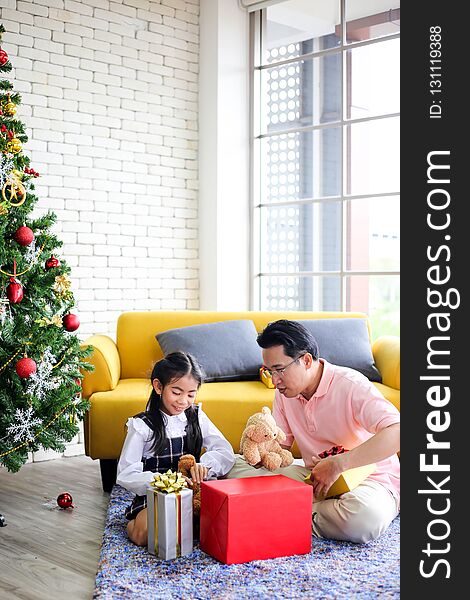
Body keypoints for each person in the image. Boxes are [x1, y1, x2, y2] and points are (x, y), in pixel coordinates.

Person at [226, 319, 400, 544]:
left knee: (363, 520)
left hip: (370, 481)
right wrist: (259, 449)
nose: (275, 381)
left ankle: (275, 509)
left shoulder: (351, 385)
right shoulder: (284, 393)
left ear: (306, 360)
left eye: (279, 370)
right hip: (313, 478)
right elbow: (281, 450)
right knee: (233, 467)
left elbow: (397, 431)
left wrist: (339, 464)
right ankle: (292, 507)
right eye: (269, 372)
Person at [116, 351, 235, 546]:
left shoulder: (197, 416)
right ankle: (133, 522)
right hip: (157, 494)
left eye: (191, 394)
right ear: (158, 386)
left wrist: (205, 465)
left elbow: (224, 451)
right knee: (143, 535)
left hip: (192, 493)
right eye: (176, 392)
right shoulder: (142, 426)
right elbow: (126, 472)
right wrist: (164, 482)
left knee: (222, 524)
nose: (183, 401)